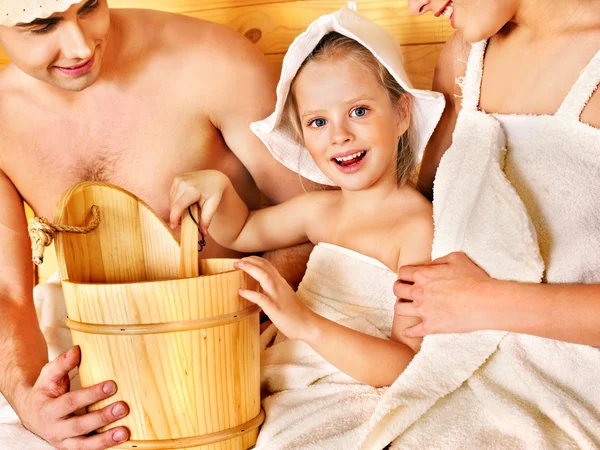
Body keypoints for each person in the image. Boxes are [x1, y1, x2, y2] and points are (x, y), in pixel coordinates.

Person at [0, 1, 314, 448]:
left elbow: (318, 221)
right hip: (102, 349)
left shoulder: (210, 59)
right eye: (42, 25)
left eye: (89, 7)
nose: (80, 44)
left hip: (248, 332)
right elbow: (8, 293)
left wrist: (218, 326)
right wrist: (30, 403)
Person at [170, 7, 445, 445]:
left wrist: (304, 322)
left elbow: (404, 364)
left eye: (358, 111)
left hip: (351, 385)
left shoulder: (415, 228)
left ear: (401, 113)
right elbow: (240, 232)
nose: (339, 135)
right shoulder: (321, 211)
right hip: (286, 367)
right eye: (318, 121)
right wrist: (217, 188)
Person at [395, 0, 600, 346]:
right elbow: (422, 214)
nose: (416, 6)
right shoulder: (462, 59)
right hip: (443, 360)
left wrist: (482, 301)